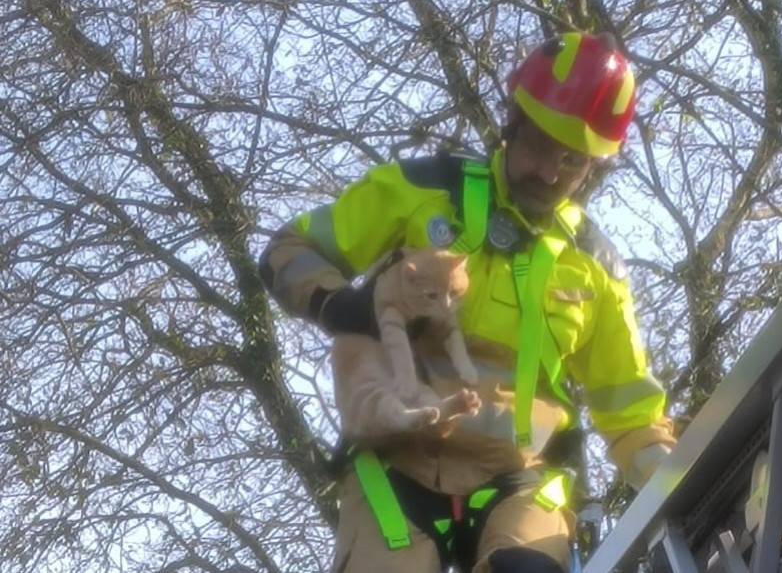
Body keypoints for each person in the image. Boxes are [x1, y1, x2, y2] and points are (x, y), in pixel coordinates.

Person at [259, 31, 676, 573]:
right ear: (511, 123)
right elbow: (289, 248)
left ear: (593, 167)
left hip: (520, 481)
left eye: (572, 162)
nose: (550, 173)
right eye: (541, 146)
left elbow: (631, 413)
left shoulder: (595, 265)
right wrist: (344, 308)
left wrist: (677, 475)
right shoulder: (423, 189)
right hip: (395, 465)